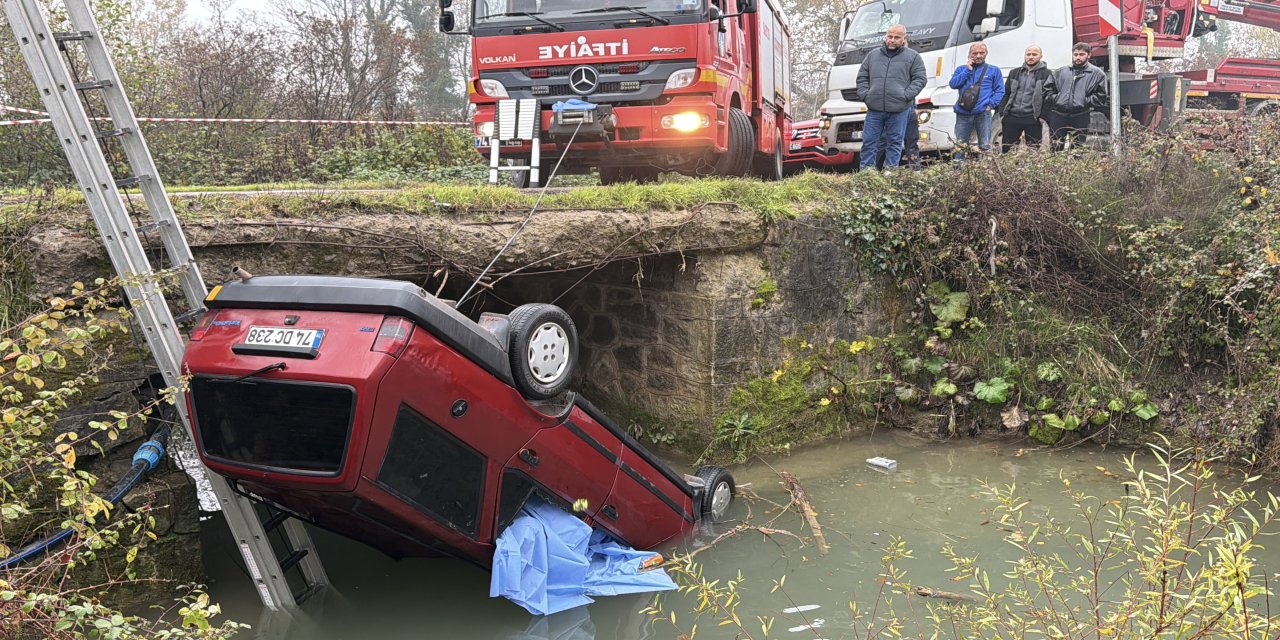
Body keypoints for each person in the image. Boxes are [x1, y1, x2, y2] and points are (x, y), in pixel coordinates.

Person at [855, 24, 926, 171]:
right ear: (886, 36)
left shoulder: (913, 57)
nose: (892, 40)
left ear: (904, 39)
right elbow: (862, 77)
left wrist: (905, 96)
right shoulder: (873, 55)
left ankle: (890, 174)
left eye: (897, 37)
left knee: (894, 143)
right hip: (874, 109)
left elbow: (920, 79)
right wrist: (866, 96)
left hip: (899, 109)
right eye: (890, 36)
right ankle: (866, 175)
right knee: (869, 142)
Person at [1043, 42, 1109, 151]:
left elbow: (1101, 96)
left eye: (1081, 54)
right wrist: (1057, 99)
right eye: (1076, 54)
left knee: (1077, 149)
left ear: (1089, 55)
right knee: (1055, 148)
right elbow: (1047, 90)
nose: (1078, 57)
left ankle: (1074, 167)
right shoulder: (1061, 72)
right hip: (1059, 114)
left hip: (1081, 115)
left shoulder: (1097, 74)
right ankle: (1055, 168)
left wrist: (1084, 101)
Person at [948, 42, 1004, 161]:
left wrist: (991, 105)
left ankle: (986, 171)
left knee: (985, 145)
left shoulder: (994, 70)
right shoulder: (961, 69)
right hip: (963, 113)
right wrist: (967, 70)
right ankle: (959, 171)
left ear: (986, 54)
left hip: (983, 113)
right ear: (969, 55)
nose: (978, 56)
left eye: (981, 53)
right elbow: (953, 84)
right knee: (960, 145)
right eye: (975, 53)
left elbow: (1000, 90)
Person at [997, 45, 1052, 152]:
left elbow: (1048, 97)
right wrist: (1002, 113)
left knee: (1033, 150)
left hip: (1032, 118)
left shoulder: (1047, 74)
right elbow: (1006, 93)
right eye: (1028, 54)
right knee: (1007, 149)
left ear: (1041, 56)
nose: (1031, 57)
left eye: (1034, 54)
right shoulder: (1014, 72)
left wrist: (1042, 117)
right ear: (1024, 56)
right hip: (1011, 117)